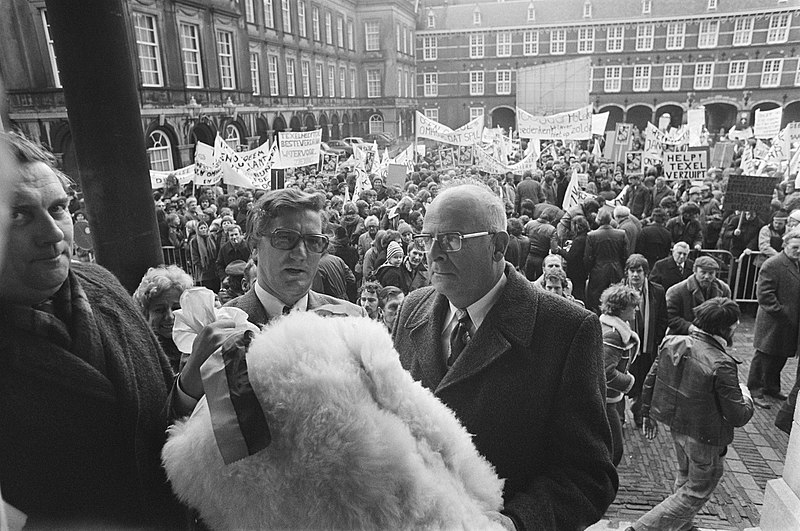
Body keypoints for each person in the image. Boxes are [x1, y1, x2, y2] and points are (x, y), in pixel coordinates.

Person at [394, 180, 617, 530]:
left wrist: (516, 523)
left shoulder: (567, 329)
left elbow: (588, 474)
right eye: (426, 239)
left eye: (451, 240)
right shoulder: (412, 308)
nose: (433, 253)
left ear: (498, 245)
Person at [0, 132, 180, 527]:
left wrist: (195, 381)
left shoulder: (103, 284)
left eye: (58, 208)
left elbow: (167, 411)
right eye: (19, 214)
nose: (52, 234)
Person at [630, 298, 753, 531]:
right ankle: (641, 528)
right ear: (726, 328)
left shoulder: (672, 341)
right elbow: (738, 416)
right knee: (697, 490)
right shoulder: (722, 363)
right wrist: (746, 396)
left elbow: (651, 378)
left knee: (685, 476)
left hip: (678, 427)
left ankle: (683, 527)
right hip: (706, 437)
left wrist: (647, 412)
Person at [747, 228, 800, 409]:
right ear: (785, 245)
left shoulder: (796, 264)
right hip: (774, 321)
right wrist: (782, 312)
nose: (798, 251)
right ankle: (755, 390)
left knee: (780, 356)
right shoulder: (773, 264)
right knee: (764, 356)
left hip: (789, 322)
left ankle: (771, 387)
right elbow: (764, 295)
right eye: (795, 247)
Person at [622, 254, 668, 428]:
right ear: (627, 273)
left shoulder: (657, 291)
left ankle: (639, 412)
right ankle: (620, 415)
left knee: (644, 381)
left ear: (646, 273)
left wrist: (655, 339)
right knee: (624, 380)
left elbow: (663, 318)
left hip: (648, 346)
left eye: (639, 271)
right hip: (627, 346)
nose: (635, 275)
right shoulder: (619, 291)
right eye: (632, 271)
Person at [599, 284, 641, 466]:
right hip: (608, 399)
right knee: (615, 449)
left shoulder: (609, 325)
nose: (636, 309)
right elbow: (606, 372)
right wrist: (630, 382)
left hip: (611, 397)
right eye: (633, 306)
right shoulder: (615, 335)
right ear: (621, 308)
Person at [133, 264, 195, 372]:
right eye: (160, 310)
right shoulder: (143, 354)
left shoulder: (198, 342)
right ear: (145, 313)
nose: (170, 316)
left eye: (177, 308)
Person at [665, 256, 731, 335]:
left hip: (713, 335)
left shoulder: (724, 289)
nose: (707, 277)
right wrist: (690, 328)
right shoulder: (676, 291)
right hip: (683, 337)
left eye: (711, 273)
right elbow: (669, 316)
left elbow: (729, 314)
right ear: (694, 271)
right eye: (703, 272)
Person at [584, 209, 629, 312]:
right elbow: (625, 255)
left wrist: (590, 270)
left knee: (598, 302)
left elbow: (588, 258)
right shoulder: (621, 234)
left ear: (598, 220)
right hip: (617, 270)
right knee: (617, 299)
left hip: (598, 271)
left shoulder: (592, 236)